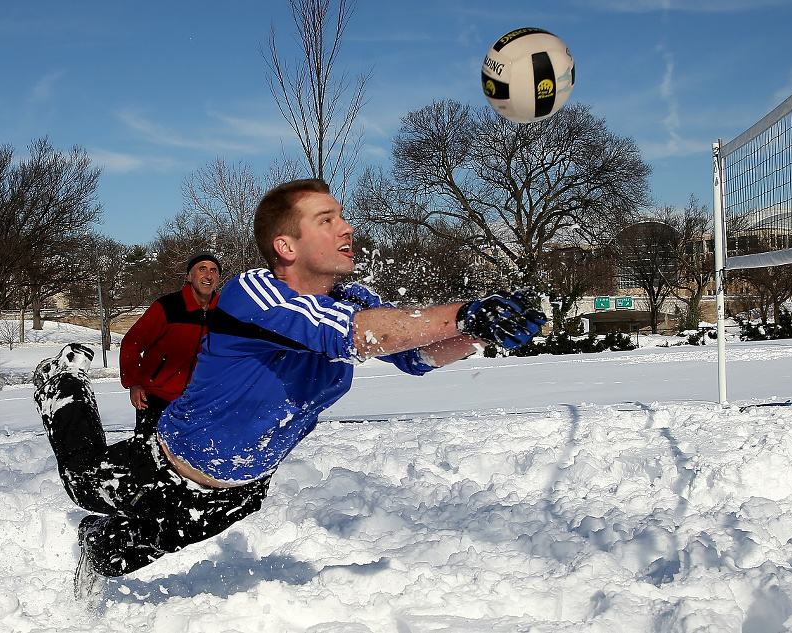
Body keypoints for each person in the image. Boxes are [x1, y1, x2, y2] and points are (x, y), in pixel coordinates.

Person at [33, 178, 545, 607]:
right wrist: (468, 312)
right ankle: (61, 383)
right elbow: (360, 335)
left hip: (239, 491)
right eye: (326, 220)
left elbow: (413, 354)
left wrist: (482, 332)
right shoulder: (253, 293)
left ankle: (89, 558)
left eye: (342, 216)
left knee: (111, 552)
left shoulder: (353, 300)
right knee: (81, 480)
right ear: (287, 246)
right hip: (164, 464)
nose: (346, 228)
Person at [119, 252, 221, 439]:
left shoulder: (223, 313)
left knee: (189, 462)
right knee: (148, 457)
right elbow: (131, 343)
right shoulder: (167, 307)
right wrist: (133, 383)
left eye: (213, 271)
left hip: (198, 401)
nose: (208, 275)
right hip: (157, 397)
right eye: (202, 269)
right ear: (190, 276)